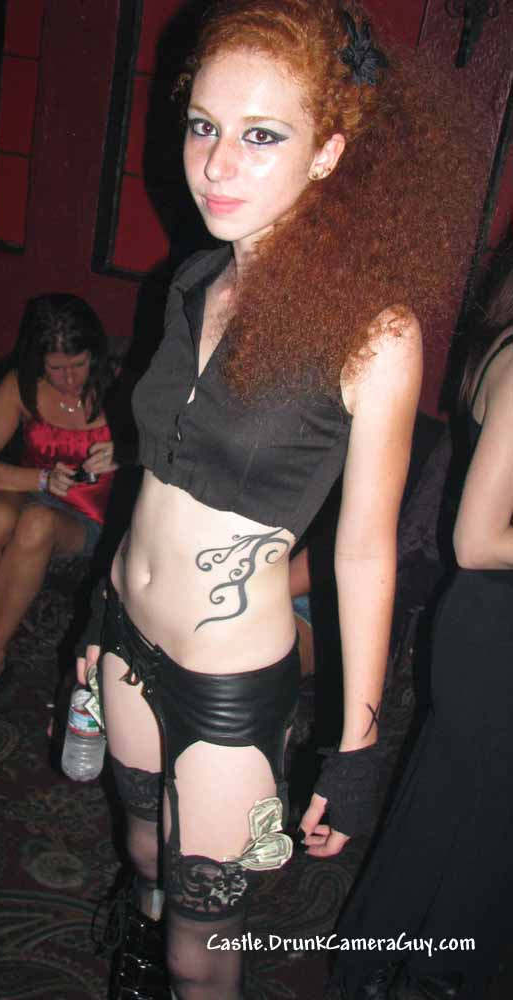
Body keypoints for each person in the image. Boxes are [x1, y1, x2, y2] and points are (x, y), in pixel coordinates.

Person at [72, 2, 478, 998]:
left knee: (201, 951)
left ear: (330, 152)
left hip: (226, 684)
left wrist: (357, 748)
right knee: (141, 851)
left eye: (262, 136)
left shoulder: (374, 334)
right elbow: (151, 485)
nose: (216, 164)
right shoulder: (193, 280)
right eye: (203, 125)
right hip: (124, 631)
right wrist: (95, 614)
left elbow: (364, 552)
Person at [335, 253, 513, 1000]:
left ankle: (385, 969)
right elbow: (476, 541)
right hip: (494, 625)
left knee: (450, 816)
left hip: (488, 622)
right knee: (468, 831)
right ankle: (404, 973)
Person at [0, 293, 118, 705]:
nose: (70, 379)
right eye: (56, 368)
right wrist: (41, 479)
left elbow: (176, 448)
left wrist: (124, 452)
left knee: (37, 522)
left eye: (79, 364)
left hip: (91, 515)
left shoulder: (121, 385)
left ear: (95, 355)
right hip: (36, 490)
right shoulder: (21, 385)